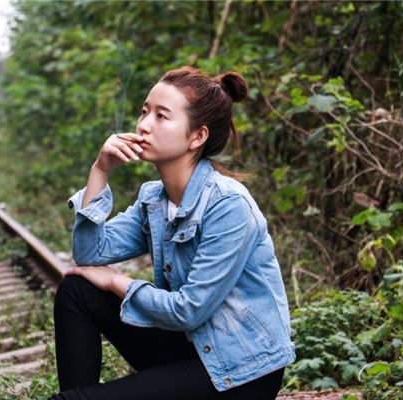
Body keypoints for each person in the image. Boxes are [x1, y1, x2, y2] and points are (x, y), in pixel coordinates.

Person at [49, 66, 295, 400]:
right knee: (77, 290)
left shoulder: (228, 205)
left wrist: (116, 282)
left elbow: (188, 310)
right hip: (187, 348)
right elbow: (90, 254)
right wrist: (100, 170)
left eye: (161, 116)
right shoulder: (154, 200)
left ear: (197, 136)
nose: (143, 124)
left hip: (238, 372)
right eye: (144, 111)